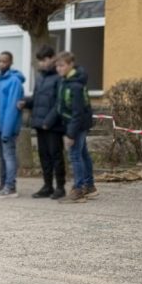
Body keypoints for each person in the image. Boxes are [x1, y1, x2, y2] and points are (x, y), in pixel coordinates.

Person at [18, 46, 67, 200]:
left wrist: (48, 121)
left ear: (52, 58)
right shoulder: (40, 78)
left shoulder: (59, 78)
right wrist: (25, 102)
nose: (42, 63)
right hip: (40, 124)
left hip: (53, 125)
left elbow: (60, 103)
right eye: (40, 61)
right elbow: (37, 100)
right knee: (44, 156)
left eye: (44, 60)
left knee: (56, 156)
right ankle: (47, 186)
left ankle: (60, 187)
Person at [55, 52, 98, 203]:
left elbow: (77, 112)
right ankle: (90, 186)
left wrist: (71, 134)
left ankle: (78, 189)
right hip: (74, 123)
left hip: (77, 125)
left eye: (62, 65)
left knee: (75, 155)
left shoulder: (75, 85)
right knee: (83, 154)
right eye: (57, 66)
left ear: (71, 65)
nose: (58, 68)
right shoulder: (66, 81)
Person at [0, 51, 25, 198]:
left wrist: (7, 130)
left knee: (9, 156)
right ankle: (3, 183)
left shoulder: (14, 81)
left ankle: (10, 187)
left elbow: (12, 107)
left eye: (4, 61)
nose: (1, 64)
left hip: (8, 128)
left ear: (11, 62)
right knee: (2, 157)